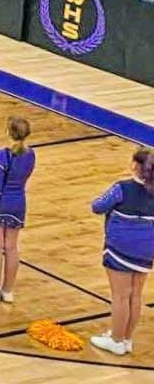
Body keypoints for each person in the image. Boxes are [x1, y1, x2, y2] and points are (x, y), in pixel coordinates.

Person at [89, 147, 154, 357]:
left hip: (120, 248)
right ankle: (126, 339)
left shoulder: (122, 188)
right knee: (135, 296)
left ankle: (116, 341)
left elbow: (97, 206)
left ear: (135, 165)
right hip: (146, 250)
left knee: (120, 296)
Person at [0, 116, 35, 303]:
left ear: (8, 132)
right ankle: (8, 291)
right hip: (19, 203)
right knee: (12, 247)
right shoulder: (31, 155)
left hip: (1, 203)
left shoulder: (2, 155)